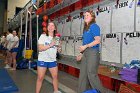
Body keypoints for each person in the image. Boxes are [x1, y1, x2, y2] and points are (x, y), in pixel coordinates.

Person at [76, 10, 105, 93]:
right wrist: (81, 54)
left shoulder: (94, 26)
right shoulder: (86, 29)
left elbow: (98, 40)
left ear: (92, 17)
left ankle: (100, 92)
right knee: (83, 75)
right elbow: (84, 43)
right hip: (86, 53)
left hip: (93, 52)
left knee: (91, 74)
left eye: (87, 15)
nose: (85, 16)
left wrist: (86, 46)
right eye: (84, 15)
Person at [36, 22, 62, 93]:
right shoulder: (43, 36)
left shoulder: (57, 38)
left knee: (55, 77)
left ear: (55, 28)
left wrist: (59, 48)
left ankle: (56, 91)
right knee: (40, 78)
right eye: (49, 25)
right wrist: (50, 44)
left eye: (52, 25)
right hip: (43, 60)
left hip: (52, 60)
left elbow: (58, 51)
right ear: (47, 28)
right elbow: (40, 48)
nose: (50, 27)